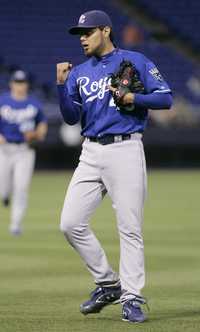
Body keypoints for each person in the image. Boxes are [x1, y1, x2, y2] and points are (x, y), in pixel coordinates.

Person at [57, 10, 172, 323]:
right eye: (79, 34)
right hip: (90, 152)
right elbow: (70, 117)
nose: (82, 38)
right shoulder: (80, 72)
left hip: (125, 148)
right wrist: (61, 85)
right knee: (70, 223)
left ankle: (132, 298)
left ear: (105, 30)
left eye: (88, 32)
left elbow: (165, 98)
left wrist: (133, 95)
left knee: (130, 229)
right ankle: (108, 282)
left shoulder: (135, 60)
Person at [0, 70, 48, 235]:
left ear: (27, 84)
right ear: (11, 83)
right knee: (3, 186)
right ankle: (5, 195)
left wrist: (35, 134)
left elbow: (42, 125)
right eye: (17, 82)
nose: (20, 85)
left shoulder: (34, 104)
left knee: (21, 188)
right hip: (4, 150)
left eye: (23, 82)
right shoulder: (3, 101)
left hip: (24, 150)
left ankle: (15, 224)